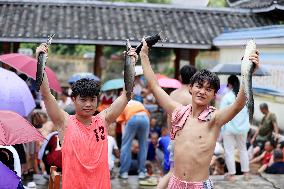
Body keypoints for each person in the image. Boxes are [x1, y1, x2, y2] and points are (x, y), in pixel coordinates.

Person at [139, 38, 259, 188]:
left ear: (214, 95)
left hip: (199, 185)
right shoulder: (178, 111)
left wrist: (247, 73)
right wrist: (143, 55)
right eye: (199, 86)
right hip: (175, 183)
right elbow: (155, 86)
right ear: (191, 88)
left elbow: (237, 105)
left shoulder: (214, 118)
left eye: (208, 89)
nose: (202, 91)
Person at [36, 43, 138, 189]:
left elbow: (126, 95)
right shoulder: (64, 122)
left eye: (92, 100)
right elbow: (46, 94)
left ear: (98, 100)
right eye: (83, 100)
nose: (88, 104)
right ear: (74, 100)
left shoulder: (103, 120)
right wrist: (39, 60)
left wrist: (131, 64)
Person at [157, 65, 197, 189]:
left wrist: (171, 134)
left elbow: (169, 117)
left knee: (173, 172)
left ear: (180, 77)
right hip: (188, 138)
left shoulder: (173, 94)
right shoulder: (192, 97)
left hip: (175, 136)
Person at [220, 75, 250, 181]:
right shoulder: (245, 96)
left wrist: (220, 129)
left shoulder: (227, 97)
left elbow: (222, 114)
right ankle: (246, 174)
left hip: (229, 128)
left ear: (230, 84)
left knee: (229, 151)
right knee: (243, 149)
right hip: (243, 128)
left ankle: (232, 175)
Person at [117, 99, 150, 179]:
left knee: (126, 145)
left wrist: (124, 140)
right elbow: (147, 114)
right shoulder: (137, 102)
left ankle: (124, 172)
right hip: (145, 118)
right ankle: (142, 172)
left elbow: (122, 124)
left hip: (132, 118)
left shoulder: (121, 104)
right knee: (143, 146)